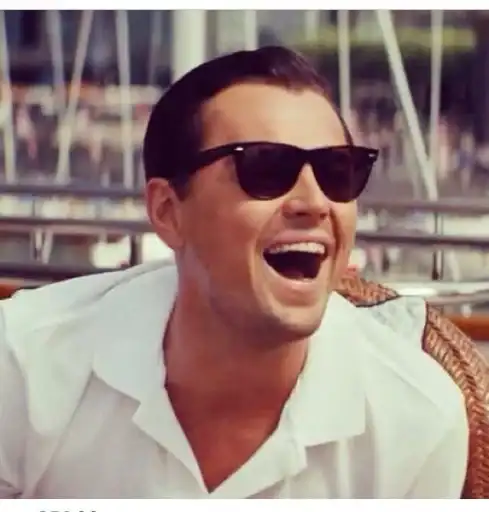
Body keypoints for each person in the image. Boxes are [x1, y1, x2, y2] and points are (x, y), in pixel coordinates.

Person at [0, 46, 470, 499]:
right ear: (167, 211)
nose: (314, 203)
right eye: (266, 167)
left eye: (337, 170)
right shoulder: (23, 365)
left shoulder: (417, 422)